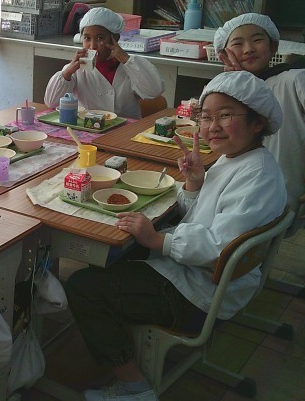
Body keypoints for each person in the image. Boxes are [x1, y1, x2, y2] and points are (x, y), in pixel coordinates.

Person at [65, 71, 287, 401]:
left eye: (225, 116)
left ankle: (134, 387)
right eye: (206, 117)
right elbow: (208, 218)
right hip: (204, 279)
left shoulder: (257, 176)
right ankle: (122, 338)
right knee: (115, 251)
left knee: (82, 286)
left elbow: (221, 248)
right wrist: (195, 183)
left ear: (258, 123)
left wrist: (159, 241)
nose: (212, 127)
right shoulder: (238, 159)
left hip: (200, 295)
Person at [214, 13, 305, 228]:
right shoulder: (236, 92)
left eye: (257, 39)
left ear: (273, 47)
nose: (248, 49)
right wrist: (236, 82)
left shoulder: (298, 81)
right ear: (224, 55)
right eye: (238, 43)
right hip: (244, 191)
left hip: (284, 199)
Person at [44, 7, 165, 119]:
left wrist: (126, 59)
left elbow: (154, 91)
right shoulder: (76, 70)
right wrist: (67, 72)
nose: (92, 46)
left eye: (100, 38)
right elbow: (51, 102)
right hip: (88, 128)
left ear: (115, 38)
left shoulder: (130, 66)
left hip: (124, 129)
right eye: (87, 38)